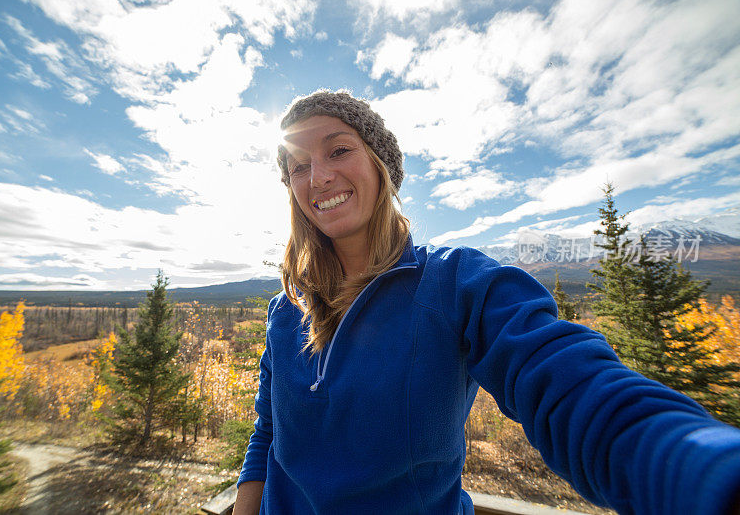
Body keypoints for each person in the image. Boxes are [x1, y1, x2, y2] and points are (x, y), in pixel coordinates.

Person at [233, 90, 740, 514]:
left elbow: (564, 380)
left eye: (338, 150)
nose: (318, 176)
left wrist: (696, 470)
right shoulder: (287, 310)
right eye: (298, 166)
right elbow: (268, 433)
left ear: (380, 163)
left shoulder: (455, 283)